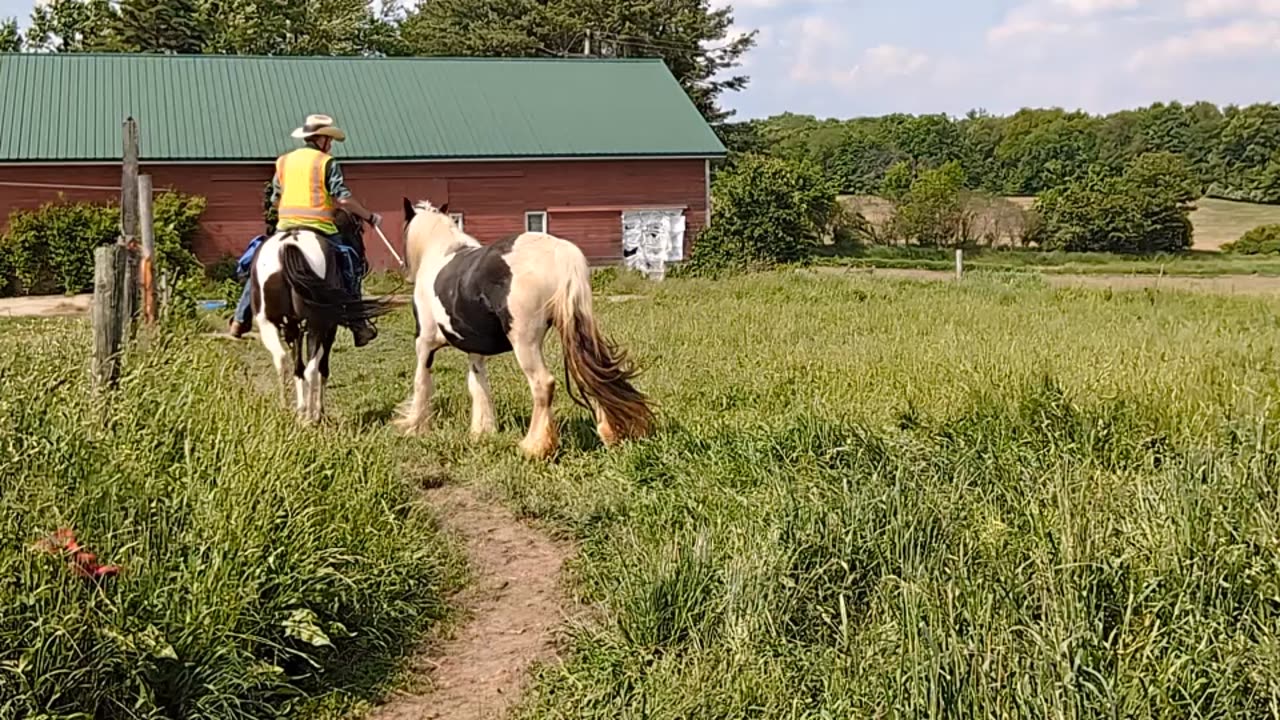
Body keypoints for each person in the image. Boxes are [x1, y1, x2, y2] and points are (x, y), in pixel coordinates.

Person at [227, 113, 382, 346]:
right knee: (347, 262)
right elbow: (343, 200)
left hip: (285, 227)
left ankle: (240, 319)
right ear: (319, 139)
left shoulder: (283, 161)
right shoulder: (326, 162)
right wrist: (369, 216)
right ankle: (358, 325)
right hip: (320, 227)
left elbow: (275, 201)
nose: (330, 145)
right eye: (328, 140)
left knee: (258, 264)